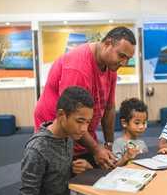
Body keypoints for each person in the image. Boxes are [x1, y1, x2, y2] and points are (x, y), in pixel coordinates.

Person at [34, 26, 136, 169]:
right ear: (107, 43)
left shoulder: (111, 65)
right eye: (121, 56)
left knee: (94, 170)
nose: (124, 63)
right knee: (62, 180)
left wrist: (108, 144)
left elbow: (109, 108)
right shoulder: (79, 68)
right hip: (58, 134)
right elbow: (72, 116)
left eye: (128, 58)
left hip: (81, 130)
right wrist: (96, 149)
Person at [18, 86, 94, 195]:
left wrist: (85, 168)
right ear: (61, 115)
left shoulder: (69, 136)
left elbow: (56, 176)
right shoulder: (37, 150)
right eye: (80, 121)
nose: (84, 129)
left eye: (88, 122)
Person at [113, 98, 167, 166]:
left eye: (144, 123)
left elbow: (147, 161)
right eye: (137, 123)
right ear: (124, 123)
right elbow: (114, 167)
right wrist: (125, 157)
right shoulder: (118, 143)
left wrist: (160, 154)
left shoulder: (142, 143)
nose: (141, 126)